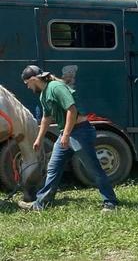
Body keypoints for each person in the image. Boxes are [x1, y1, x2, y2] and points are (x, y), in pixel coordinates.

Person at [18, 65, 118, 212]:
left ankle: (110, 202)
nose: (28, 87)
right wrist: (39, 139)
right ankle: (41, 203)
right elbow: (46, 117)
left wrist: (65, 135)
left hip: (80, 132)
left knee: (93, 169)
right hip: (67, 133)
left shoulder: (56, 87)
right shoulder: (44, 94)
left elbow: (72, 109)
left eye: (27, 84)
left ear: (33, 79)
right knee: (53, 168)